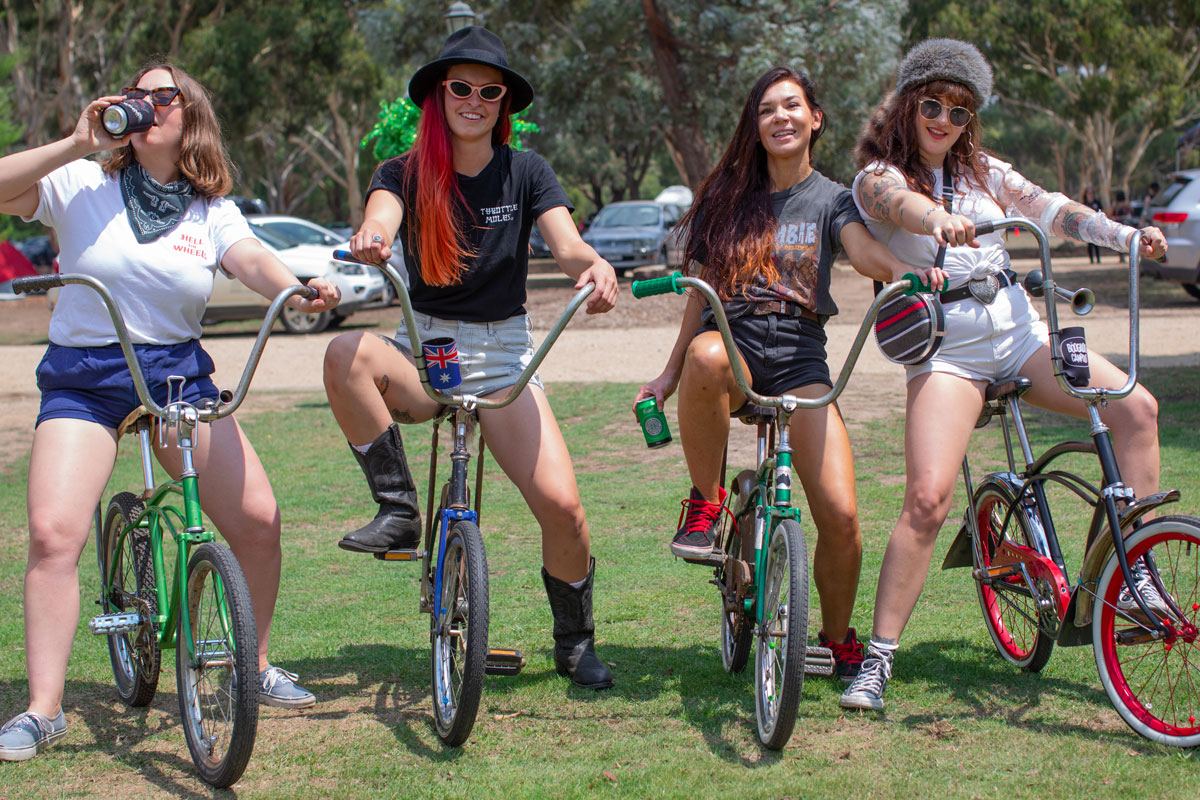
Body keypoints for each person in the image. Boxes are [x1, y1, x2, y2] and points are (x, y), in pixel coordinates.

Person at [0, 62, 340, 761]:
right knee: (54, 534)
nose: (148, 105)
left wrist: (297, 288)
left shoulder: (210, 209)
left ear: (191, 117)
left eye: (166, 96)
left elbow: (250, 261)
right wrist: (74, 142)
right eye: (139, 95)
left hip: (176, 378)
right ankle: (43, 709)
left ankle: (255, 663)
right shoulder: (79, 182)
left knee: (259, 520)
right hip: (86, 377)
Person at [842, 38, 1168, 711]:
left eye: (959, 112)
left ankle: (1126, 584)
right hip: (948, 354)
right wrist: (940, 221)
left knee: (1136, 409)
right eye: (931, 104)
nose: (943, 120)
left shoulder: (987, 171)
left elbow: (1052, 209)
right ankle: (877, 661)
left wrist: (1125, 236)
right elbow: (899, 207)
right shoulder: (876, 175)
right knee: (927, 500)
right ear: (908, 103)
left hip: (1022, 339)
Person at [322, 26, 618, 690]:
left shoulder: (527, 170)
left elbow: (566, 245)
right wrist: (371, 238)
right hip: (426, 353)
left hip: (506, 358)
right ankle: (399, 507)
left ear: (504, 102)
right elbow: (381, 218)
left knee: (565, 511)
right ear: (439, 94)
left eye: (490, 91)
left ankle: (574, 642)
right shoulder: (401, 171)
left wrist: (594, 265)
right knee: (345, 353)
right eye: (461, 87)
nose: (475, 100)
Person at [634, 66, 945, 682]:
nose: (780, 117)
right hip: (735, 343)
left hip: (802, 357)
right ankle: (706, 502)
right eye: (767, 110)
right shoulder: (725, 198)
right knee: (706, 355)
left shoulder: (832, 198)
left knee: (842, 518)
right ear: (755, 126)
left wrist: (902, 272)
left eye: (792, 106)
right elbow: (699, 296)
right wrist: (667, 375)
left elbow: (861, 252)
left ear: (815, 118)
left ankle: (834, 639)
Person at [1081, 187, 1103, 263]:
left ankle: (1098, 259)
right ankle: (1091, 260)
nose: (1090, 195)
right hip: (1087, 226)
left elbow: (1101, 212)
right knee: (1089, 243)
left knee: (1096, 242)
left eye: (1091, 193)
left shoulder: (1097, 202)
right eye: (1089, 193)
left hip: (1096, 224)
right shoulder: (1084, 204)